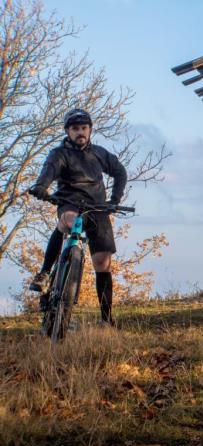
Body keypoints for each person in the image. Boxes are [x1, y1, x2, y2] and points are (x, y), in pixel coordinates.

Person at [28, 108, 128, 326]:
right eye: (75, 129)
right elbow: (48, 172)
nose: (80, 132)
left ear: (90, 130)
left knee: (103, 262)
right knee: (69, 222)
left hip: (98, 208)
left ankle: (107, 319)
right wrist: (41, 187)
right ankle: (45, 273)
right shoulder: (59, 154)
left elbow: (120, 172)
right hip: (70, 203)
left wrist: (115, 199)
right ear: (67, 131)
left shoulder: (100, 153)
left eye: (84, 128)